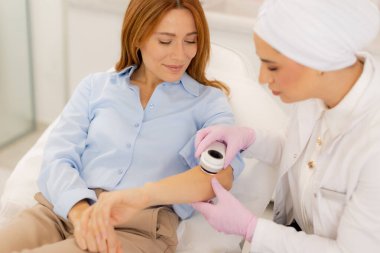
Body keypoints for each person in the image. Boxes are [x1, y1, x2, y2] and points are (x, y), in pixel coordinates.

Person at [0, 0, 244, 252]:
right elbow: (57, 157)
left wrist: (142, 196)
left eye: (190, 41)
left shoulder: (208, 102)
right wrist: (81, 213)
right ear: (137, 37)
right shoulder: (95, 87)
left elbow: (220, 176)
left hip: (137, 228)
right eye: (165, 41)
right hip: (60, 211)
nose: (180, 54)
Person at [190, 0, 380, 252]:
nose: (262, 78)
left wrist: (251, 228)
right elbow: (299, 152)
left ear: (319, 61)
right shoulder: (321, 92)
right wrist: (251, 139)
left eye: (272, 66)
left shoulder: (372, 144)